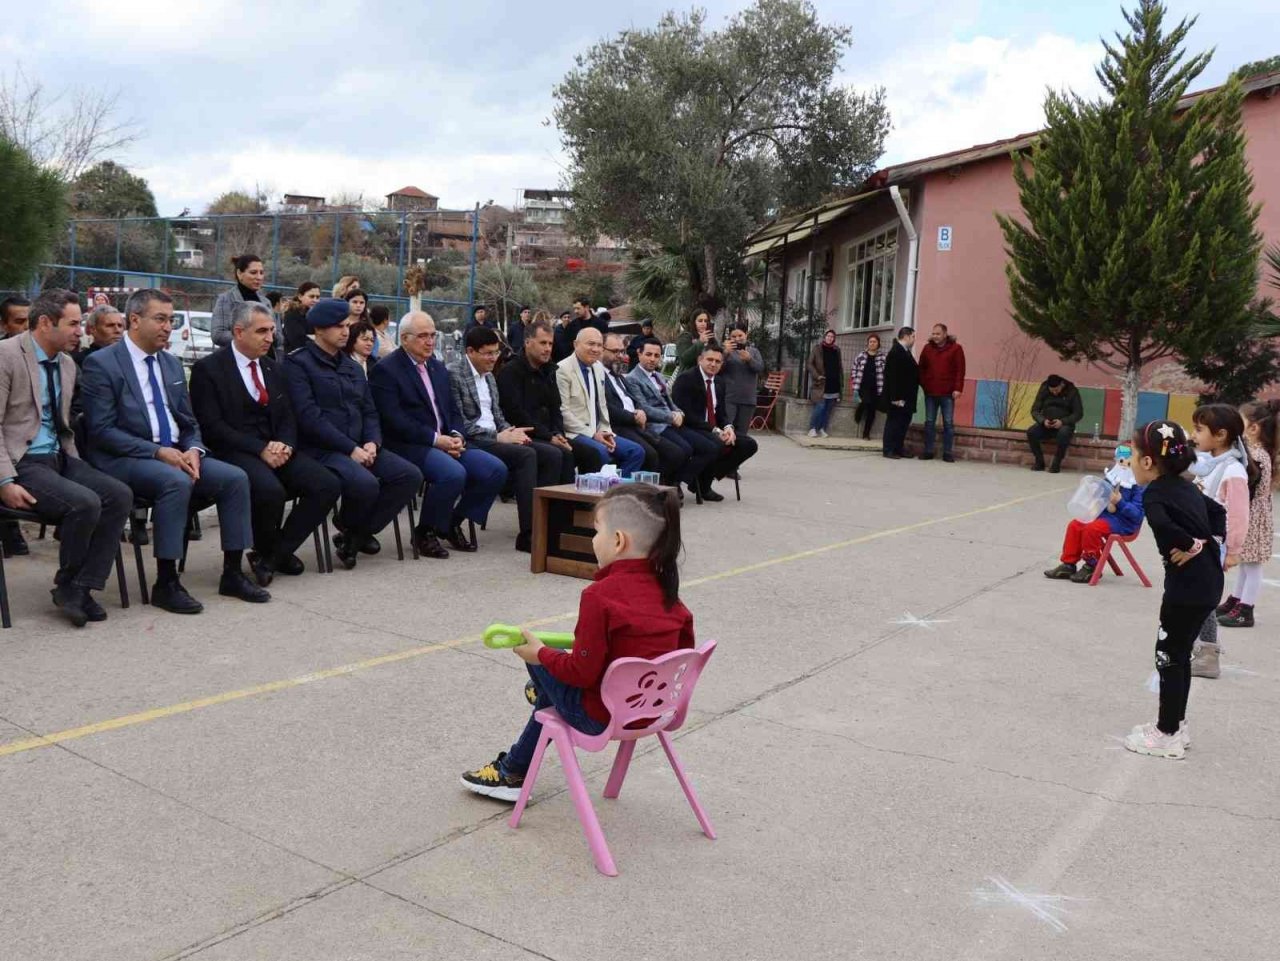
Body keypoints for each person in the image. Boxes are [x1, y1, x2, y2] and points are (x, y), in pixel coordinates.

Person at [461, 483, 694, 801]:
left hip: (600, 717)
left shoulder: (600, 596)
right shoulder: (671, 595)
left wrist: (539, 654)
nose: (593, 540)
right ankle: (513, 768)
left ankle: (517, 757)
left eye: (595, 532)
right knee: (554, 678)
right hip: (654, 712)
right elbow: (681, 654)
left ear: (617, 540)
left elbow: (581, 673)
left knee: (546, 662)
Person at [82, 289, 268, 613]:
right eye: (160, 319)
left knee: (235, 478)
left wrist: (194, 448)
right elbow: (101, 430)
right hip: (124, 457)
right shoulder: (102, 363)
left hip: (175, 453)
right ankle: (166, 582)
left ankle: (233, 573)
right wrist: (156, 452)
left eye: (170, 319)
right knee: (175, 482)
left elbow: (188, 420)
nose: (168, 327)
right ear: (135, 320)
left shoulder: (169, 363)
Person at [0, 289, 132, 626]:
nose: (81, 330)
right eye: (73, 324)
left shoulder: (68, 364)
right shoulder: (6, 356)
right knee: (85, 503)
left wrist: (74, 461)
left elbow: (63, 425)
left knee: (119, 495)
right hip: (21, 460)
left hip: (59, 455)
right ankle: (69, 585)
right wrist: (4, 480)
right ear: (45, 322)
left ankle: (81, 586)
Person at [189, 301, 341, 586]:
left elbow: (287, 416)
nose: (270, 338)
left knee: (327, 484)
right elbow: (212, 427)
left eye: (272, 330)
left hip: (275, 448)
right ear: (238, 332)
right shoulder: (208, 370)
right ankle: (269, 553)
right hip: (235, 450)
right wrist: (259, 449)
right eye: (261, 331)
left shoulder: (273, 368)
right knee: (270, 491)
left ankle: (273, 555)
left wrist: (284, 444)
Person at [284, 298, 421, 570]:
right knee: (365, 484)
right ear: (319, 329)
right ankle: (353, 533)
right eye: (338, 326)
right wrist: (351, 448)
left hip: (360, 446)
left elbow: (370, 411)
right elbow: (310, 417)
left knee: (409, 475)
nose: (345, 331)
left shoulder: (353, 367)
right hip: (323, 449)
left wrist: (372, 441)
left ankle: (354, 534)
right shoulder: (299, 363)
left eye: (347, 325)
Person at [1122, 420, 1225, 759]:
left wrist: (1191, 543)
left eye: (1134, 455)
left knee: (1167, 655)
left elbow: (1164, 525)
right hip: (1207, 584)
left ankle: (1166, 732)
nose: (1132, 461)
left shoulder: (1154, 493)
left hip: (1186, 591)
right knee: (1179, 656)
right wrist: (1211, 541)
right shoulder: (1185, 486)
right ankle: (1176, 725)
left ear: (1148, 462)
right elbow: (1219, 512)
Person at [369, 311, 506, 558]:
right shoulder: (387, 370)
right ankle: (425, 532)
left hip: (445, 440)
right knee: (452, 473)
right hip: (409, 444)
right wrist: (436, 440)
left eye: (432, 335)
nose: (430, 341)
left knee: (495, 469)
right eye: (422, 336)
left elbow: (452, 410)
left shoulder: (437, 367)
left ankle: (452, 522)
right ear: (404, 338)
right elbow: (395, 420)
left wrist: (456, 435)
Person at [450, 325, 565, 553]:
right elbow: (461, 423)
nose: (494, 358)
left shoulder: (490, 377)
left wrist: (512, 432)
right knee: (526, 455)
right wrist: (500, 436)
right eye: (488, 353)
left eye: (496, 352)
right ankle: (528, 533)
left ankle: (544, 525)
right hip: (474, 439)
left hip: (496, 436)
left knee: (552, 454)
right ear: (471, 351)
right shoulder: (455, 374)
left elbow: (498, 416)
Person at [1186, 404, 1250, 678]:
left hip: (1214, 543)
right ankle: (1197, 648)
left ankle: (1208, 656)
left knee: (1203, 600)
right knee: (1194, 598)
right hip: (1198, 540)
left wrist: (1233, 551)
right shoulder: (1208, 463)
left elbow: (1237, 515)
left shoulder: (1233, 471)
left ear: (1221, 434)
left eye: (1199, 429)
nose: (1194, 434)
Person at [627, 339, 721, 499]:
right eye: (648, 354)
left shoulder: (658, 375)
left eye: (656, 355)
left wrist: (679, 413)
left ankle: (678, 481)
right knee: (682, 450)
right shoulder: (632, 378)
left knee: (710, 446)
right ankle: (667, 485)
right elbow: (644, 408)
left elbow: (669, 402)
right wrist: (671, 417)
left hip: (672, 423)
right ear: (639, 354)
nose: (652, 359)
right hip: (655, 426)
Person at [1216, 399, 1279, 629]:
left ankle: (1246, 609)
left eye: (1240, 423)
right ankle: (1236, 600)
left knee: (1252, 565)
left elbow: (1247, 489)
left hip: (1252, 516)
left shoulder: (1258, 456)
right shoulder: (1252, 451)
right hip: (1250, 514)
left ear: (1253, 428)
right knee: (1245, 562)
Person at [670, 343, 758, 501]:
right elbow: (685, 414)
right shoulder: (686, 379)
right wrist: (715, 430)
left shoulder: (719, 382)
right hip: (689, 427)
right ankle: (680, 481)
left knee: (748, 444)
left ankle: (703, 482)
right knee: (716, 443)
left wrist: (728, 427)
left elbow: (722, 412)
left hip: (712, 428)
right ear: (700, 360)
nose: (713, 364)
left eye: (718, 361)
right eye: (709, 359)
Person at [600, 332, 689, 487]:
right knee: (651, 454)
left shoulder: (620, 376)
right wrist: (635, 416)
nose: (620, 356)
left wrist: (678, 413)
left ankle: (660, 488)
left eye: (622, 351)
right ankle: (630, 494)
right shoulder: (602, 375)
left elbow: (639, 402)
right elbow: (609, 408)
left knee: (682, 449)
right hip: (622, 425)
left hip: (638, 423)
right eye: (615, 352)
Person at [555, 327, 646, 476]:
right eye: (591, 344)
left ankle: (616, 493)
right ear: (575, 344)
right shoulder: (562, 369)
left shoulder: (598, 368)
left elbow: (602, 407)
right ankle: (596, 495)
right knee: (601, 453)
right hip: (575, 432)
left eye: (599, 345)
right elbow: (564, 413)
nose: (596, 349)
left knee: (636, 452)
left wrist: (606, 431)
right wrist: (593, 434)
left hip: (598, 430)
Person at [496, 319, 578, 475]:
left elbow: (556, 408)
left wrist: (558, 434)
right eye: (543, 343)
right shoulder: (511, 371)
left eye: (550, 344)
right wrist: (549, 437)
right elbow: (515, 413)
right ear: (527, 342)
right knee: (556, 454)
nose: (548, 349)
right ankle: (542, 499)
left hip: (548, 433)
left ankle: (575, 499)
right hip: (526, 434)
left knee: (588, 453)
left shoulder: (550, 371)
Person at [1044, 480, 1146, 583]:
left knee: (1092, 529)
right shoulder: (1112, 478)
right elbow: (1099, 500)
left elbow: (1137, 515)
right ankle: (1068, 564)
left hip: (1124, 523)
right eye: (1121, 462)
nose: (1123, 465)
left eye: (1128, 464)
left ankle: (1092, 565)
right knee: (1075, 525)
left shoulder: (1138, 487)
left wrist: (1120, 502)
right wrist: (1093, 492)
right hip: (1104, 516)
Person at [916, 323, 966, 462]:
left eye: (938, 334)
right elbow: (921, 368)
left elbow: (960, 370)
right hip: (930, 393)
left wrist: (957, 388)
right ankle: (928, 451)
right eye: (933, 334)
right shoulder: (927, 349)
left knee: (948, 423)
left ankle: (948, 453)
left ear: (945, 334)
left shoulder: (956, 349)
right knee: (929, 422)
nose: (935, 336)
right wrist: (925, 384)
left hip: (948, 393)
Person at [211, 254, 274, 351]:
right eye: (253, 272)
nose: (259, 277)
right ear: (239, 273)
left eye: (261, 273)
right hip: (233, 360)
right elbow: (218, 335)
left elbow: (278, 336)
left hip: (263, 360)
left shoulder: (266, 303)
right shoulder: (225, 299)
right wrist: (250, 338)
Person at [1026, 375, 1084, 473]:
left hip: (1064, 425)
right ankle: (1039, 462)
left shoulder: (1072, 391)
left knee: (1064, 433)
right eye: (1052, 390)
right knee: (1031, 432)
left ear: (1062, 384)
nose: (1054, 392)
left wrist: (1063, 422)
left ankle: (1056, 463)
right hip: (1046, 424)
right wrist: (1043, 421)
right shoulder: (1044, 389)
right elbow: (1035, 410)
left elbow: (1078, 413)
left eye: (1056, 390)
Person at [880, 327, 918, 459]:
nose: (914, 340)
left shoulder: (905, 351)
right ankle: (888, 449)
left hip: (906, 396)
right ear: (906, 336)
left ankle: (898, 448)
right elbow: (893, 376)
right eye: (913, 337)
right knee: (894, 423)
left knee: (902, 423)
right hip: (898, 397)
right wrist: (895, 398)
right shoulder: (896, 351)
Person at [720, 326, 763, 434]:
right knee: (727, 430)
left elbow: (760, 368)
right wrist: (725, 353)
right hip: (729, 398)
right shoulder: (726, 352)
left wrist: (749, 359)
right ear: (729, 337)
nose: (737, 339)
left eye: (740, 335)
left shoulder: (753, 351)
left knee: (742, 434)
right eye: (733, 336)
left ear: (746, 335)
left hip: (748, 399)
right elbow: (717, 369)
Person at [806, 330, 842, 438]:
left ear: (834, 339)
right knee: (820, 406)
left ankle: (822, 429)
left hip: (833, 383)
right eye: (828, 336)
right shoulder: (817, 348)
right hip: (821, 383)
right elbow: (809, 364)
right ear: (825, 337)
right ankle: (812, 428)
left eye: (832, 337)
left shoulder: (837, 350)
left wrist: (840, 382)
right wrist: (817, 376)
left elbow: (839, 366)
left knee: (828, 409)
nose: (830, 338)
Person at [849, 334, 885, 440]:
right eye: (870, 342)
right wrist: (855, 380)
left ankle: (866, 433)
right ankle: (859, 410)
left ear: (878, 344)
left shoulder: (882, 357)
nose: (872, 343)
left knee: (872, 411)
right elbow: (854, 369)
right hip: (863, 385)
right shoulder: (861, 355)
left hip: (876, 387)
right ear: (868, 343)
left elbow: (886, 372)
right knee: (865, 402)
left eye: (874, 342)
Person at [281, 282, 321, 354]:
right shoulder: (291, 314)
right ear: (300, 296)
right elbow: (298, 341)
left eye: (317, 297)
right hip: (295, 358)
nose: (315, 300)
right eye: (311, 296)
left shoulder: (317, 314)